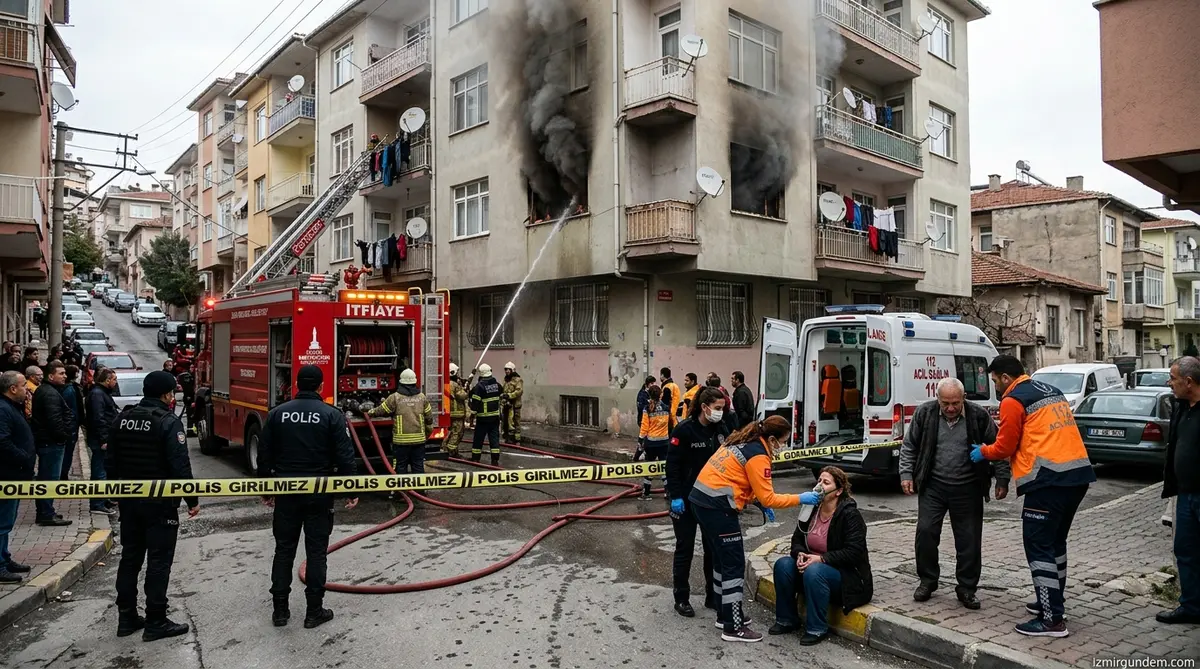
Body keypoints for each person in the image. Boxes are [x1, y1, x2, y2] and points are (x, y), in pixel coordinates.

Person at [972, 355, 1095, 637]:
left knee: (1038, 545)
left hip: (1048, 480)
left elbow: (1005, 445)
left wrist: (984, 452)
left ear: (1006, 378)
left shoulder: (1013, 399)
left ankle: (1052, 620)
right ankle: (1052, 602)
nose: (996, 387)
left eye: (995, 381)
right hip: (1077, 476)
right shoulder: (1051, 390)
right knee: (1055, 543)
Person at [258, 365, 358, 629]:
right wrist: (351, 489)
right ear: (321, 387)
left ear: (296, 385)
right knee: (316, 553)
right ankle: (314, 612)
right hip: (319, 494)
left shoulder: (277, 414)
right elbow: (345, 455)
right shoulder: (332, 415)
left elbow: (265, 455)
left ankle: (280, 611)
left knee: (283, 551)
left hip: (286, 493)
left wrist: (266, 489)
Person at [900, 377, 1009, 610]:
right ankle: (928, 581)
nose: (950, 408)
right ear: (937, 399)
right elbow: (909, 446)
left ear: (964, 399)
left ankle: (967, 588)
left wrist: (1002, 478)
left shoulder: (978, 415)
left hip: (968, 488)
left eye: (955, 403)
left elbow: (998, 446)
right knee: (926, 532)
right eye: (945, 403)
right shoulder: (925, 413)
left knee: (969, 540)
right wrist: (906, 474)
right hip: (933, 486)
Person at [106, 370, 200, 641]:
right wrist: (192, 500)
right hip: (160, 505)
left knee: (130, 558)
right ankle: (156, 620)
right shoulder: (168, 422)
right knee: (159, 562)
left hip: (129, 503)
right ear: (166, 394)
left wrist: (112, 491)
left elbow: (110, 459)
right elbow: (180, 466)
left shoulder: (122, 418)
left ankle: (126, 618)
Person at [689, 415, 801, 642]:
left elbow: (735, 478)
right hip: (718, 508)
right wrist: (802, 498)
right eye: (782, 441)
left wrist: (754, 499)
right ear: (772, 438)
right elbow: (769, 498)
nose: (782, 446)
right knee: (734, 565)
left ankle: (724, 614)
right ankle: (733, 628)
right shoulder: (758, 454)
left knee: (721, 561)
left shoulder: (741, 441)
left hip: (701, 501)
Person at [769, 466, 873, 646]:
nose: (819, 486)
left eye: (826, 483)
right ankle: (786, 619)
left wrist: (822, 559)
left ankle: (817, 628)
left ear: (838, 491)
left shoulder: (849, 515)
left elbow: (854, 552)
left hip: (846, 576)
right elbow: (797, 539)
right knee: (783, 564)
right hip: (813, 570)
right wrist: (800, 553)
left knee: (815, 571)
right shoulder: (811, 509)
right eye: (819, 481)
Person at [665, 387, 729, 619]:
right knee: (685, 548)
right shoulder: (684, 430)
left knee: (712, 549)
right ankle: (681, 598)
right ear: (704, 407)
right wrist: (676, 496)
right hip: (685, 499)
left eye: (722, 408)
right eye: (717, 408)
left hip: (710, 499)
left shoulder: (720, 429)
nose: (721, 412)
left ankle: (712, 595)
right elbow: (672, 466)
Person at [1159, 357, 1200, 625]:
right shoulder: (1181, 406)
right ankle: (1191, 607)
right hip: (1185, 494)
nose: (1169, 383)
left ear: (1188, 382)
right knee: (1185, 550)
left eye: (1173, 379)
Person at [30, 361, 73, 527]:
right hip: (51, 443)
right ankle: (46, 513)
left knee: (46, 477)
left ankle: (45, 511)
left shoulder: (48, 390)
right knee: (49, 478)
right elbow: (54, 421)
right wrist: (63, 437)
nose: (65, 376)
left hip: (48, 441)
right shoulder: (49, 394)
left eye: (64, 373)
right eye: (61, 373)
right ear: (50, 376)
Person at [0, 371, 34, 583]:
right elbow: (2, 442)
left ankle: (4, 558)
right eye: (23, 385)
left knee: (7, 521)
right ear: (12, 389)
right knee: (2, 522)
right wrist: (23, 457)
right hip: (7, 475)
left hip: (14, 474)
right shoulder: (3, 409)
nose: (27, 389)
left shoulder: (11, 407)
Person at [366, 368, 432, 474]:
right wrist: (427, 432)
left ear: (401, 382)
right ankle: (420, 485)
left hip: (401, 442)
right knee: (418, 466)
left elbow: (382, 410)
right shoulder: (422, 397)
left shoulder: (395, 397)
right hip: (419, 440)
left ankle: (402, 485)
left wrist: (370, 412)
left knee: (401, 467)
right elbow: (429, 417)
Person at [86, 368, 120, 515]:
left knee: (104, 470)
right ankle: (97, 503)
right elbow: (98, 419)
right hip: (100, 440)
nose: (116, 382)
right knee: (99, 472)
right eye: (114, 379)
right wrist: (104, 439)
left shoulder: (102, 393)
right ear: (107, 380)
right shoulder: (97, 394)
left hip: (104, 438)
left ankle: (103, 499)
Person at [638, 385, 671, 500]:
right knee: (664, 467)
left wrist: (640, 440)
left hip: (651, 443)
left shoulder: (647, 408)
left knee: (650, 466)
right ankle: (667, 492)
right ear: (660, 395)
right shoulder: (666, 408)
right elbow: (670, 423)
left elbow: (644, 427)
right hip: (664, 442)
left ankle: (646, 493)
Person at [469, 364, 503, 465]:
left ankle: (475, 458)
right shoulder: (497, 385)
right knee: (494, 439)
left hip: (483, 419)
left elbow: (475, 404)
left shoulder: (479, 387)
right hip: (495, 418)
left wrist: (472, 416)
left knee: (478, 439)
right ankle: (495, 459)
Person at [59, 364, 85, 483]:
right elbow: (71, 410)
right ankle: (63, 474)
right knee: (68, 452)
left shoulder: (70, 387)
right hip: (71, 427)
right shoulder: (69, 390)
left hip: (71, 425)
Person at [444, 363, 469, 458]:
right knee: (457, 433)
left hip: (450, 413)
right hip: (457, 413)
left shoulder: (446, 383)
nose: (458, 375)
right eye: (457, 373)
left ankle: (447, 449)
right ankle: (451, 451)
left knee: (451, 432)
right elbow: (462, 395)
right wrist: (466, 389)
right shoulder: (454, 384)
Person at [501, 362, 523, 444]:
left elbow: (519, 391)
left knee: (516, 421)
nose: (507, 371)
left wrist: (509, 395)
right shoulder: (505, 380)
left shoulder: (518, 380)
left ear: (512, 370)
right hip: (507, 405)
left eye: (508, 369)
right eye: (505, 369)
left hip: (515, 405)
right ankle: (507, 437)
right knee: (506, 421)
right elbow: (504, 390)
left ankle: (517, 439)